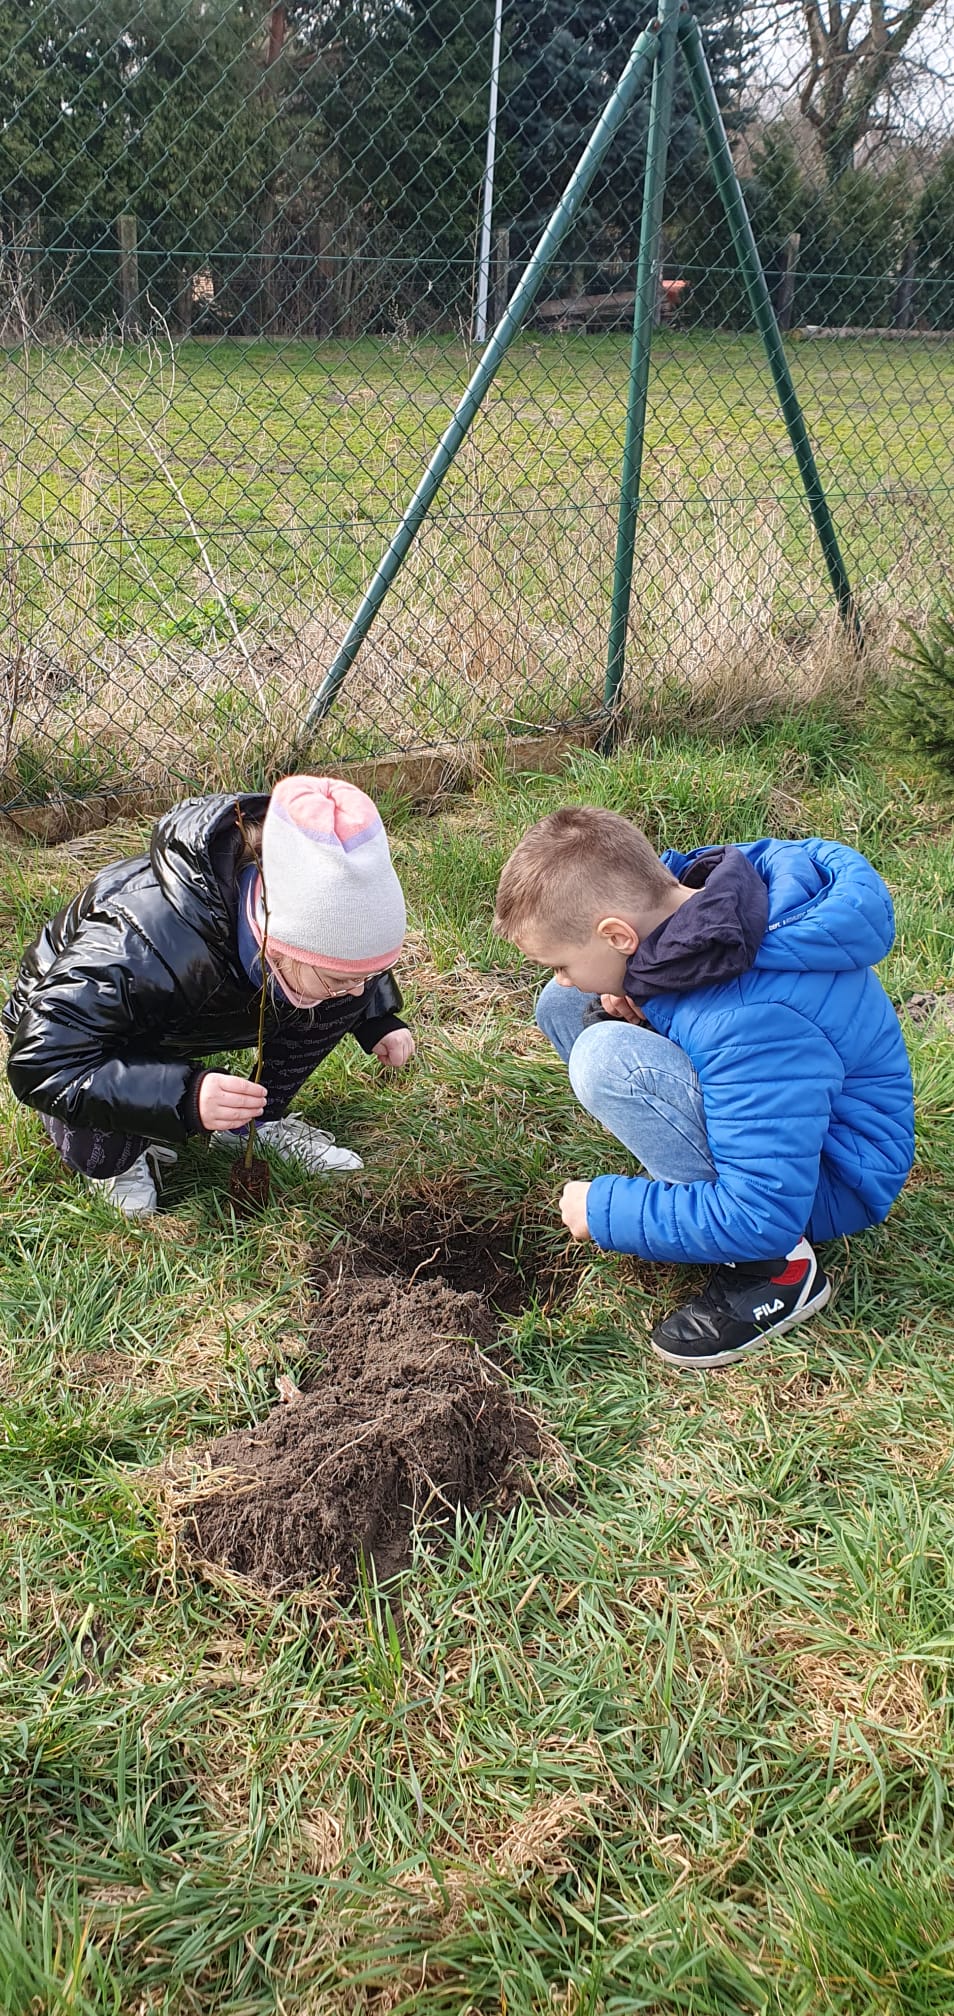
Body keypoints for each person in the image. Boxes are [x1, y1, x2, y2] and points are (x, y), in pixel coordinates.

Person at [494, 807, 914, 1370]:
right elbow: (700, 1011)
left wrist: (608, 1208)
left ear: (617, 934)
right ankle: (696, 1176)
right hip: (781, 1116)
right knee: (567, 1006)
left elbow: (762, 1208)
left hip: (827, 1178)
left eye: (563, 962)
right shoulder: (701, 901)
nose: (560, 973)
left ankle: (777, 1272)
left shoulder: (752, 1014)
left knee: (606, 1059)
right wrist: (649, 1005)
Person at [3, 776, 414, 1217]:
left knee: (337, 996)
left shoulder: (303, 940)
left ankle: (253, 1123)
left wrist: (375, 1015)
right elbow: (41, 1064)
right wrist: (183, 1097)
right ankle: (117, 1166)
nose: (357, 986)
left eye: (369, 973)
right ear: (274, 940)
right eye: (341, 976)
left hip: (191, 1013)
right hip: (88, 1033)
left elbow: (349, 967)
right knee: (102, 1151)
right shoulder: (137, 946)